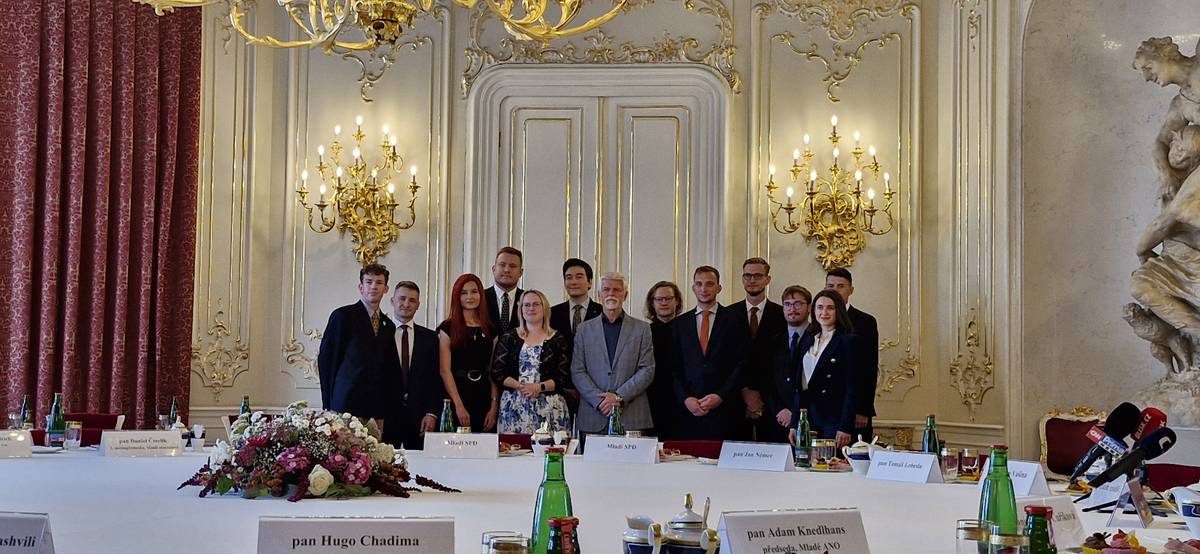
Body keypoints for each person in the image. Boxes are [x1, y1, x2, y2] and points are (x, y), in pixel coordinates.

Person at [571, 272, 656, 444]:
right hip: (594, 415)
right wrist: (600, 401)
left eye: (617, 290)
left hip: (631, 417)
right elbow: (577, 370)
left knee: (633, 463)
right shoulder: (583, 329)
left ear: (625, 295)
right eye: (606, 289)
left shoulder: (642, 329)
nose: (611, 293)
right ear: (599, 295)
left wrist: (618, 397)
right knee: (593, 463)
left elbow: (647, 369)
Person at [671, 266, 747, 440]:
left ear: (719, 288)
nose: (704, 289)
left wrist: (720, 396)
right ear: (693, 288)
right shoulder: (680, 324)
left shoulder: (735, 320)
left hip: (725, 410)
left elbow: (741, 363)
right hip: (689, 410)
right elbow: (674, 367)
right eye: (699, 284)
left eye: (709, 284)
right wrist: (686, 399)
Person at [317, 264, 396, 425]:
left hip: (376, 409)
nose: (373, 286)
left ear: (386, 289)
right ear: (360, 287)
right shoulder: (343, 316)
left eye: (379, 282)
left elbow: (388, 369)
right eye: (369, 282)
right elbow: (327, 361)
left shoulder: (388, 325)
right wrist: (328, 403)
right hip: (345, 405)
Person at [789, 289, 863, 449]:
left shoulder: (848, 341)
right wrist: (794, 423)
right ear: (813, 310)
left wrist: (845, 426)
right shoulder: (808, 340)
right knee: (804, 461)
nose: (824, 312)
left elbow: (853, 387)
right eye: (820, 307)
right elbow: (800, 387)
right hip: (807, 417)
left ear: (839, 310)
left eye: (830, 308)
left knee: (829, 462)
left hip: (834, 418)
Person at [490, 290, 572, 434]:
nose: (531, 308)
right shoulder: (509, 337)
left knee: (549, 447)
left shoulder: (558, 339)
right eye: (526, 305)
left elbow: (563, 377)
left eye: (536, 304)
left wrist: (538, 387)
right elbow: (497, 372)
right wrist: (522, 387)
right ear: (521, 309)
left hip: (550, 408)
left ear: (544, 308)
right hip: (514, 407)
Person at [728, 257, 786, 440]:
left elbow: (782, 362)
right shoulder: (727, 315)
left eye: (758, 276)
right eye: (747, 276)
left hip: (772, 401)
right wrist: (745, 392)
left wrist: (760, 396)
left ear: (767, 279)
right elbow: (725, 361)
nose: (752, 280)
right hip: (735, 398)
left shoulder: (783, 314)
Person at [382, 281, 443, 449]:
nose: (406, 304)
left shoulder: (430, 338)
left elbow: (435, 378)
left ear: (418, 305)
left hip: (420, 417)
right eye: (402, 299)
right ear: (392, 301)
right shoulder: (379, 334)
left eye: (412, 300)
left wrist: (432, 413)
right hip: (385, 417)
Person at [437, 274, 499, 432]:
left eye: (474, 292)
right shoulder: (447, 327)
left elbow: (492, 371)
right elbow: (445, 370)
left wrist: (493, 407)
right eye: (463, 293)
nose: (469, 297)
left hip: (483, 395)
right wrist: (458, 405)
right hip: (457, 393)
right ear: (457, 297)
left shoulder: (490, 329)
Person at [825, 268, 878, 441]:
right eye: (830, 286)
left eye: (840, 286)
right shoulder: (819, 320)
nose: (835, 290)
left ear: (851, 290)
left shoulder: (865, 321)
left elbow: (869, 368)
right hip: (824, 409)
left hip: (855, 408)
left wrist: (863, 409)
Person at [762, 285, 812, 443]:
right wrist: (779, 409)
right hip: (777, 420)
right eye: (787, 304)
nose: (792, 309)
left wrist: (795, 413)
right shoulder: (773, 341)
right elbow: (767, 382)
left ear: (809, 307)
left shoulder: (818, 339)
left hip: (808, 421)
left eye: (798, 304)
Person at [644, 280, 684, 438]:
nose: (664, 303)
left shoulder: (688, 329)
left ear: (677, 301)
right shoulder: (644, 332)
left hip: (683, 399)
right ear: (652, 303)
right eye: (659, 299)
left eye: (668, 298)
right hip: (652, 399)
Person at [549, 258, 603, 337]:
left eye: (579, 277)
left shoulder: (602, 312)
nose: (574, 282)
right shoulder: (552, 313)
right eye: (569, 278)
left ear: (590, 282)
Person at [484, 247, 525, 335]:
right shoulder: (480, 297)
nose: (507, 270)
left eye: (512, 266)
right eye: (502, 265)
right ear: (494, 269)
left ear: (521, 272)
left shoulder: (528, 300)